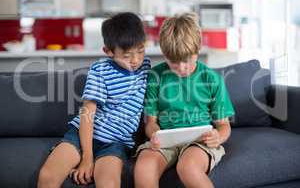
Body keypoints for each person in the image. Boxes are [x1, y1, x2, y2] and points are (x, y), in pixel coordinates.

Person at [38, 12, 151, 188]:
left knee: (109, 184)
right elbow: (87, 114)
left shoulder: (146, 68)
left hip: (116, 143)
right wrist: (87, 158)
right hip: (81, 135)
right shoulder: (100, 70)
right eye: (127, 56)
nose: (136, 60)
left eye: (141, 51)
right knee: (47, 176)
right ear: (108, 51)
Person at [134, 13, 235, 188]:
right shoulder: (155, 76)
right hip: (165, 142)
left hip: (199, 142)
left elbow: (224, 126)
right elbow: (151, 123)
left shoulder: (212, 79)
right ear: (164, 54)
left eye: (187, 61)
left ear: (198, 49)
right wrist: (154, 134)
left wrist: (218, 137)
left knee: (188, 167)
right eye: (174, 62)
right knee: (144, 168)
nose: (181, 68)